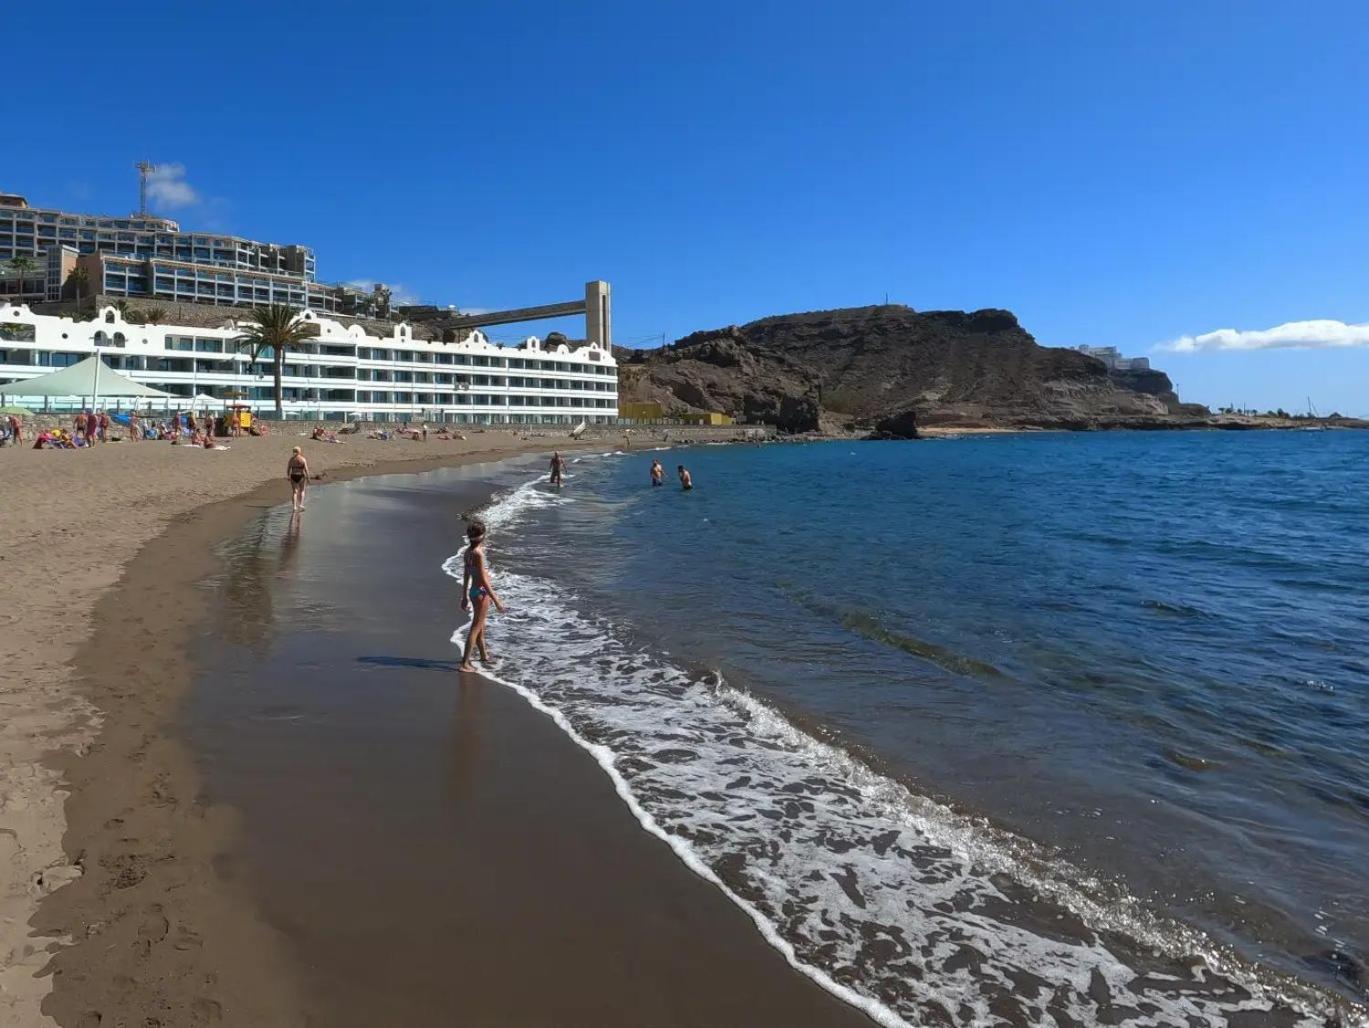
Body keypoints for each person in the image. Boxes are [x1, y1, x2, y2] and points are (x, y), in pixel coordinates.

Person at [459, 520, 505, 672]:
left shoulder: (468, 552)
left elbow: (466, 574)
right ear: (482, 536)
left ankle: (484, 654)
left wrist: (464, 596)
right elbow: (484, 580)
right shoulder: (478, 553)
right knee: (476, 626)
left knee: (480, 625)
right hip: (481, 592)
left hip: (474, 591)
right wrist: (496, 600)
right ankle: (464, 663)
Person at [286, 446, 310, 512]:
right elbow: (306, 469)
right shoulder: (303, 459)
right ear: (300, 451)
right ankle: (301, 504)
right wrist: (308, 477)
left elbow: (288, 469)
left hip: (293, 475)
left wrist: (288, 476)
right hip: (301, 475)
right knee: (302, 490)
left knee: (295, 492)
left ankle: (294, 507)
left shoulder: (291, 459)